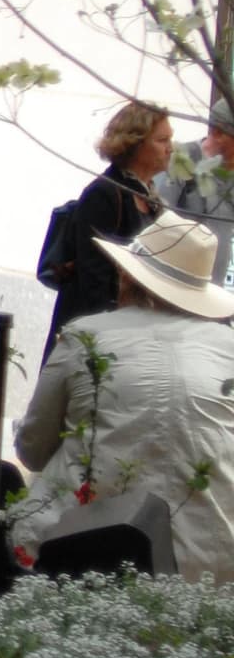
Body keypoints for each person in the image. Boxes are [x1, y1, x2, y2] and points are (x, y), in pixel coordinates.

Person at [15, 213, 234, 583]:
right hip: (212, 565)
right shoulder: (228, 347)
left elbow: (32, 450)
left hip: (87, 552)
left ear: (128, 277)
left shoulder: (86, 335)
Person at [44, 99, 170, 356]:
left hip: (133, 330)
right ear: (134, 144)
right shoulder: (104, 194)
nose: (171, 148)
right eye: (162, 140)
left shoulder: (150, 197)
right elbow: (96, 279)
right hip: (96, 338)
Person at [154, 96, 234, 282]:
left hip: (214, 289)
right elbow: (156, 221)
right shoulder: (182, 159)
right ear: (219, 132)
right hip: (173, 281)